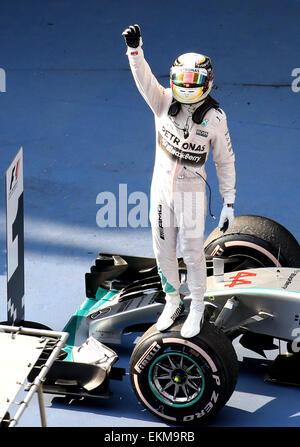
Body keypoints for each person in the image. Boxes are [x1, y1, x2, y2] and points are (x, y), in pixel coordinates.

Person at [122, 24, 236, 338]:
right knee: (162, 250)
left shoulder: (216, 118)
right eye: (182, 81)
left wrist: (229, 201)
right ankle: (172, 299)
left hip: (191, 197)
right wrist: (135, 51)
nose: (187, 87)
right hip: (160, 192)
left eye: (194, 82)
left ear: (208, 83)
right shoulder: (162, 102)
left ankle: (197, 304)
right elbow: (144, 79)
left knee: (192, 251)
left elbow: (224, 160)